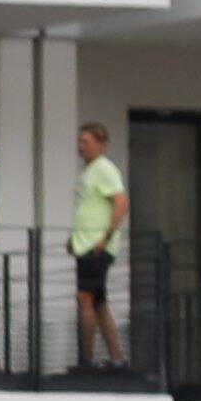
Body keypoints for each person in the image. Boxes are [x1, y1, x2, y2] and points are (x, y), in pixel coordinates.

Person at [71, 120, 129, 369]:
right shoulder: (88, 171)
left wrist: (106, 238)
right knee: (98, 302)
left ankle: (87, 359)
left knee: (85, 298)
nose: (80, 146)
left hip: (96, 247)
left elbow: (121, 203)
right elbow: (89, 208)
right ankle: (117, 358)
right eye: (79, 141)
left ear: (100, 143)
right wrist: (74, 239)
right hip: (85, 244)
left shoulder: (105, 169)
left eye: (85, 142)